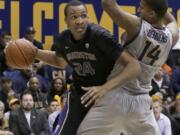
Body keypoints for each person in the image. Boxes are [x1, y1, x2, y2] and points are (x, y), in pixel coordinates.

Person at [33, 0, 141, 135]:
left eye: (83, 16)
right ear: (66, 20)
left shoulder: (100, 36)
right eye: (74, 17)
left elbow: (134, 66)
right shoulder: (63, 39)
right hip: (80, 94)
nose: (79, 21)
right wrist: (34, 52)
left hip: (108, 94)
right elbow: (60, 62)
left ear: (88, 18)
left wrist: (104, 88)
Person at [76, 0, 179, 135]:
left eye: (142, 8)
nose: (138, 10)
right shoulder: (172, 35)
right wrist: (159, 5)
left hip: (116, 95)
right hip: (142, 103)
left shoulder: (137, 26)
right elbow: (171, 20)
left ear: (152, 14)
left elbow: (108, 4)